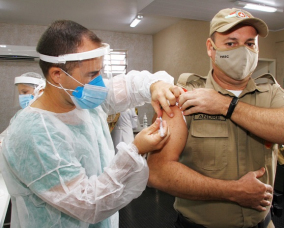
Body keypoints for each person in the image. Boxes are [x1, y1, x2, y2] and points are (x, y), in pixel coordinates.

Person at [0, 20, 182, 228]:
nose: (99, 82)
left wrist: (156, 85)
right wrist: (135, 150)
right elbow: (87, 204)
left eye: (100, 72)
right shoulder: (35, 134)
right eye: (92, 74)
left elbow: (130, 86)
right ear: (57, 75)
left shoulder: (79, 97)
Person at [147, 8, 284, 228]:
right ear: (211, 47)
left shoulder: (271, 92)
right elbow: (157, 172)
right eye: (231, 43)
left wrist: (227, 105)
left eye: (250, 43)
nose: (243, 51)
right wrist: (233, 191)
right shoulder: (184, 96)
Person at [0, 72, 46, 144]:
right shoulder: (20, 114)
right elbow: (6, 135)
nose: (22, 96)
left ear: (40, 91)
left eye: (25, 92)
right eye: (19, 93)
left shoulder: (46, 116)